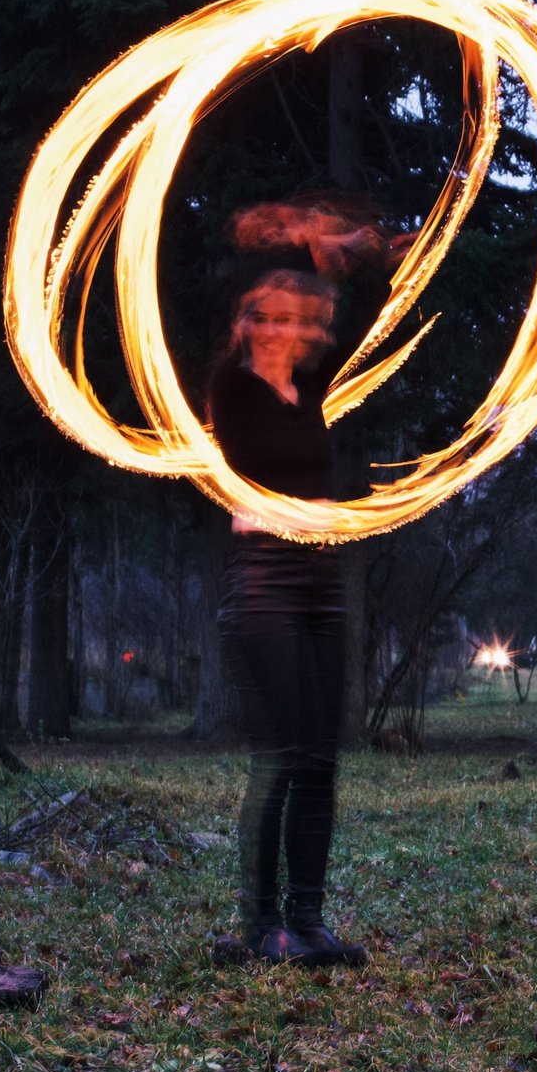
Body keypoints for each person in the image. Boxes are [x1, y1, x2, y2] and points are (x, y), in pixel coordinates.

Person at [206, 253, 370, 968]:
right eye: (264, 316)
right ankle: (260, 925)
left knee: (320, 761)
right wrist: (300, 510)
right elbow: (240, 471)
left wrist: (350, 243)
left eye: (290, 318)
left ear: (307, 328)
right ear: (245, 324)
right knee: (278, 757)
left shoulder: (313, 389)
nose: (277, 329)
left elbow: (366, 313)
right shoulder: (231, 389)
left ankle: (307, 920)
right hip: (265, 582)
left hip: (321, 584)